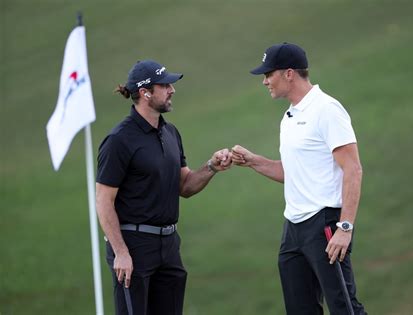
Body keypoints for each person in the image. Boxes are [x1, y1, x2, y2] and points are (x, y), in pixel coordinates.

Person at [232, 43, 367, 314]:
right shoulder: (289, 117)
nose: (265, 81)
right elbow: (293, 173)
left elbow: (353, 169)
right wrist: (253, 161)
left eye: (269, 74)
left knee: (344, 308)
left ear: (289, 73)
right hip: (293, 229)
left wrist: (346, 227)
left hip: (325, 224)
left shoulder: (327, 109)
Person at [95, 59, 231, 315]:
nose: (172, 89)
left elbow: (185, 185)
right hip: (133, 248)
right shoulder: (119, 141)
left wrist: (211, 166)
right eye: (164, 85)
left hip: (168, 246)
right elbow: (103, 200)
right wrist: (121, 252)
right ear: (145, 93)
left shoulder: (170, 133)